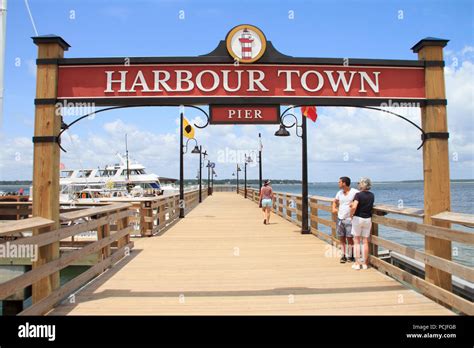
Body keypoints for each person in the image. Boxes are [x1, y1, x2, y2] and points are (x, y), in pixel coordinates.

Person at [332, 176, 358, 263]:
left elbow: (361, 199)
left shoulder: (354, 192)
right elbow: (335, 201)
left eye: (339, 182)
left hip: (349, 219)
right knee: (341, 238)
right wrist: (334, 208)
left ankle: (351, 256)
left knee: (350, 238)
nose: (338, 183)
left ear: (344, 183)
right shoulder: (339, 193)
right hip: (340, 219)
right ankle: (343, 256)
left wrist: (354, 203)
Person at [350, 177, 375, 270]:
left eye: (359, 183)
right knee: (365, 241)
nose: (358, 185)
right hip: (367, 219)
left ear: (362, 184)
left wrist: (351, 215)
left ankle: (357, 263)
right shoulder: (372, 195)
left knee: (356, 241)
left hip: (358, 219)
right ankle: (364, 264)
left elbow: (354, 206)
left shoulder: (358, 195)